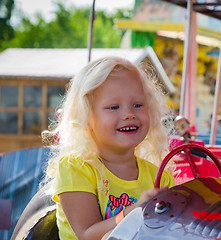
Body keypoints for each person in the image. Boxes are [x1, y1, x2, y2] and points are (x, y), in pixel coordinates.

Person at [42, 56, 175, 240]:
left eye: (137, 105)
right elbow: (87, 235)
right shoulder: (76, 169)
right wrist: (136, 211)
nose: (129, 114)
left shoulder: (159, 177)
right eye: (114, 107)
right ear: (86, 118)